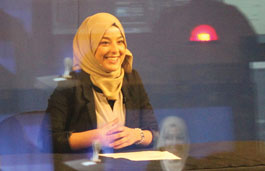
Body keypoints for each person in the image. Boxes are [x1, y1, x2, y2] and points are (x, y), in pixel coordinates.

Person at [42, 12, 158, 153]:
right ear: (88, 47)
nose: (115, 50)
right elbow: (48, 139)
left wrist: (137, 136)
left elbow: (155, 133)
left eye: (120, 41)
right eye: (105, 42)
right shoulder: (70, 85)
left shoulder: (131, 78)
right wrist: (94, 137)